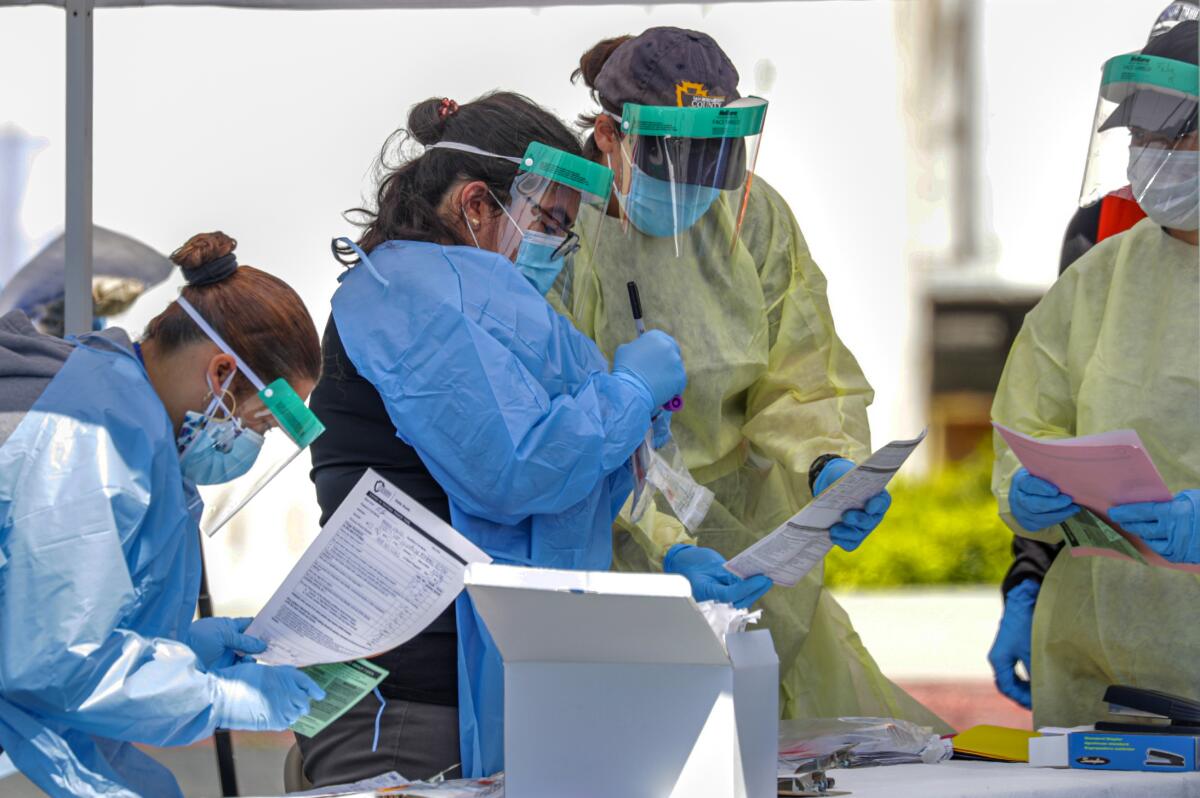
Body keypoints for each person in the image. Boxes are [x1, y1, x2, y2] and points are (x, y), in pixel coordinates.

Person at [300, 92, 766, 786]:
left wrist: (634, 443)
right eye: (550, 221)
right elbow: (516, 468)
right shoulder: (410, 296)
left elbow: (556, 457)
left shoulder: (463, 295)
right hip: (403, 711)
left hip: (446, 691)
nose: (555, 247)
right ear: (477, 204)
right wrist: (626, 396)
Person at [550, 27, 948, 731]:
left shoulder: (751, 214)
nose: (694, 184)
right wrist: (665, 543)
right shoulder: (557, 230)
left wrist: (830, 464)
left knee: (782, 737)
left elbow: (801, 368)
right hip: (601, 553)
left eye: (712, 159)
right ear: (609, 136)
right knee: (629, 747)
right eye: (674, 158)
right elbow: (558, 433)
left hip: (744, 540)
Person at [0, 232, 328, 798]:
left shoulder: (120, 410)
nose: (251, 442)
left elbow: (72, 622)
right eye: (261, 424)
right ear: (222, 374)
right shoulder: (93, 439)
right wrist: (221, 697)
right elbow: (57, 664)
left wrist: (179, 645)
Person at [988, 1, 1199, 711]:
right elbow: (1033, 418)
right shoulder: (1104, 269)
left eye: (1170, 132)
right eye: (1139, 130)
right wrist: (1026, 511)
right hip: (1096, 664)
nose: (1147, 152)